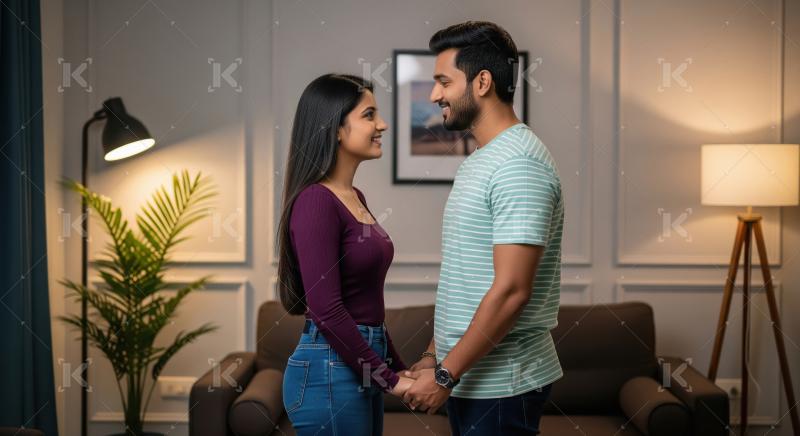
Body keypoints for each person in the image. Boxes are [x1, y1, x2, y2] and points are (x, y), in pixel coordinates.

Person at [402, 21, 565, 436]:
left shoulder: (518, 164)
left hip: (502, 385)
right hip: (470, 377)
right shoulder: (483, 159)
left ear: (482, 82)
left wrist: (445, 375)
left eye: (443, 81)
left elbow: (512, 291)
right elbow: (464, 279)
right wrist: (433, 356)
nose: (434, 95)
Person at [276, 73, 415, 436]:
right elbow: (327, 309)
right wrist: (389, 379)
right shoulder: (315, 202)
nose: (382, 124)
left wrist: (397, 366)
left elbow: (365, 306)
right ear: (335, 129)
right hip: (328, 370)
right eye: (369, 115)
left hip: (356, 362)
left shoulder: (355, 197)